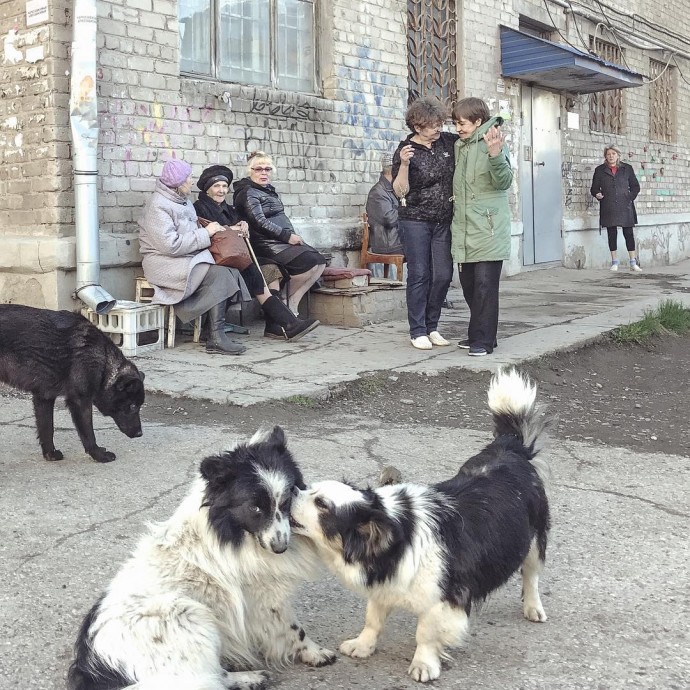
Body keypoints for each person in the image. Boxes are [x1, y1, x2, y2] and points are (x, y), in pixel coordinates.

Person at [193, 164, 319, 341]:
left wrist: (244, 226)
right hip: (217, 259)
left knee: (270, 267)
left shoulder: (229, 209)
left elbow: (239, 233)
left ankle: (274, 325)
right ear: (208, 190)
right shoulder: (200, 207)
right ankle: (289, 322)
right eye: (216, 186)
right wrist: (230, 228)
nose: (221, 190)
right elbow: (208, 233)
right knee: (253, 272)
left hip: (236, 256)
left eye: (224, 186)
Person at [391, 96, 457, 350]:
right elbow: (400, 191)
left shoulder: (447, 142)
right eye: (433, 124)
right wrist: (405, 164)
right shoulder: (405, 150)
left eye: (440, 122)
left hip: (443, 219)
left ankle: (432, 326)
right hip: (415, 220)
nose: (438, 128)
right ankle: (417, 330)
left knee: (442, 275)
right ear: (417, 127)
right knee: (420, 274)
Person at [450, 97, 513, 357]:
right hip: (465, 228)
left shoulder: (494, 142)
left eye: (461, 123)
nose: (457, 128)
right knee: (469, 286)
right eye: (455, 123)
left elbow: (504, 182)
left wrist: (496, 155)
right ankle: (481, 333)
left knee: (485, 287)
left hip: (489, 227)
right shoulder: (460, 146)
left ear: (478, 121)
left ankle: (483, 341)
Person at [233, 152, 327, 316]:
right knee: (310, 262)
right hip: (266, 245)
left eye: (267, 169)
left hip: (279, 242)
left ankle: (291, 302)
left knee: (320, 262)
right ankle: (283, 301)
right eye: (259, 169)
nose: (264, 173)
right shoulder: (248, 192)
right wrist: (287, 236)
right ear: (250, 171)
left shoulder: (266, 190)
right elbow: (259, 222)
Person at [590, 146, 642, 272]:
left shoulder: (627, 168)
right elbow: (594, 188)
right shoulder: (600, 170)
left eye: (613, 153)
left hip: (625, 205)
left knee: (628, 233)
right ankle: (614, 262)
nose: (611, 156)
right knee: (611, 233)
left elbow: (635, 186)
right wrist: (597, 194)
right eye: (608, 154)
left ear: (618, 155)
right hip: (609, 205)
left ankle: (633, 262)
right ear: (605, 156)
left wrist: (629, 197)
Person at [365, 153, 403, 259]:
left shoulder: (395, 188)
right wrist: (407, 209)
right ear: (395, 170)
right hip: (389, 245)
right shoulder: (377, 192)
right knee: (421, 249)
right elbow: (389, 219)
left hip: (398, 241)